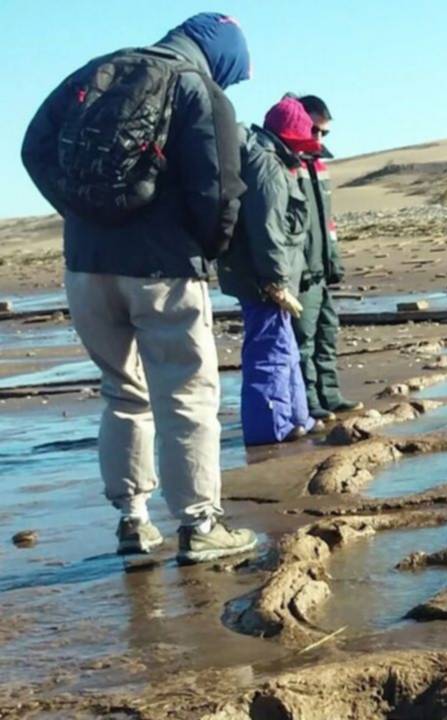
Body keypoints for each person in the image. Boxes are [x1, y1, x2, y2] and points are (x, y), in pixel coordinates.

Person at [20, 13, 259, 564]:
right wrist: (203, 247)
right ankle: (200, 526)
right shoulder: (198, 89)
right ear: (220, 55)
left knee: (123, 395)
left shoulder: (96, 72)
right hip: (163, 271)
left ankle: (133, 521)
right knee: (186, 398)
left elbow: (35, 149)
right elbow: (221, 188)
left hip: (85, 267)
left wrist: (82, 214)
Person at [217, 96, 318, 446]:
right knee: (270, 352)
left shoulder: (266, 159)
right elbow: (268, 227)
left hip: (264, 275)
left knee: (283, 347)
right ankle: (269, 428)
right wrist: (276, 282)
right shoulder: (267, 166)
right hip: (264, 279)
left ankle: (293, 417)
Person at [292, 95, 362, 421]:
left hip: (322, 266)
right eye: (316, 131)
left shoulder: (318, 164)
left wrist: (333, 260)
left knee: (327, 331)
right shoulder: (288, 163)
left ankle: (329, 394)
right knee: (303, 338)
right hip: (303, 269)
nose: (319, 139)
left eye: (325, 133)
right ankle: (309, 401)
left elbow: (327, 222)